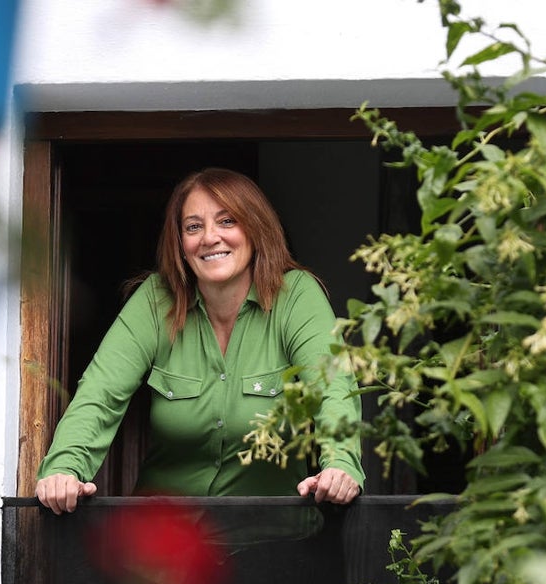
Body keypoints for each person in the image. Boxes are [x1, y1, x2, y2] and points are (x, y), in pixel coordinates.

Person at [35, 167, 364, 514]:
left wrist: (340, 464)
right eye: (193, 227)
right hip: (166, 543)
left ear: (256, 227)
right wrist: (64, 469)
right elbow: (100, 393)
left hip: (271, 542)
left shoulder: (296, 294)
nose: (209, 238)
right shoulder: (156, 300)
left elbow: (333, 387)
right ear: (180, 242)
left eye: (227, 221)